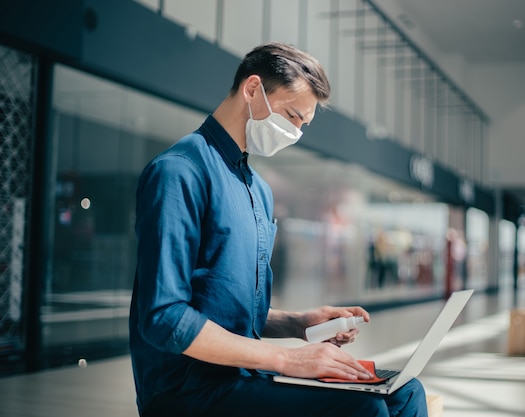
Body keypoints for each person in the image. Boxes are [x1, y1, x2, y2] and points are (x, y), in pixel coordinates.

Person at [129, 42, 427, 417]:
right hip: (188, 389)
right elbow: (164, 317)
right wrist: (287, 360)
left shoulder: (258, 190)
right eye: (291, 116)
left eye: (303, 124)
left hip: (243, 375)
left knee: (404, 391)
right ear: (252, 89)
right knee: (366, 410)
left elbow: (223, 305)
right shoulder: (179, 171)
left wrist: (299, 323)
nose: (295, 132)